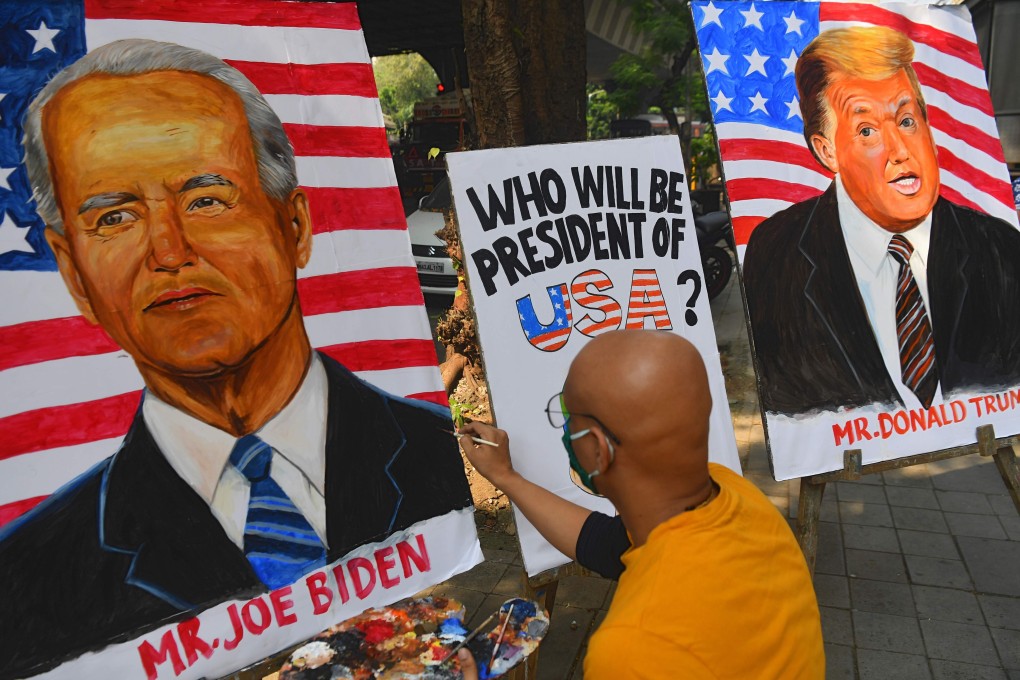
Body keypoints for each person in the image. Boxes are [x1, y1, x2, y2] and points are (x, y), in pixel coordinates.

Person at [0, 39, 471, 677]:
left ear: (295, 226)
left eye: (206, 200)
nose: (168, 250)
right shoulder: (29, 586)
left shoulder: (436, 460)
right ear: (75, 275)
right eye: (114, 218)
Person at [459, 330, 825, 679]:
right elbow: (608, 543)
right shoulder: (737, 499)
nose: (565, 429)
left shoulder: (633, 649)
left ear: (599, 450)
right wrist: (506, 477)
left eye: (569, 414)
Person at [742, 26, 1020, 416]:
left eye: (907, 121)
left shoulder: (1001, 250)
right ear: (826, 152)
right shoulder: (775, 254)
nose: (900, 151)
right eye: (867, 130)